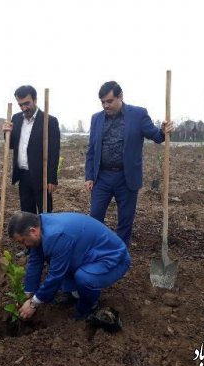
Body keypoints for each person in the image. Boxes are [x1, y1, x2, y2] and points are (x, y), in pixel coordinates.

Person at [85, 81, 174, 246]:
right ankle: (94, 250)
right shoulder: (96, 118)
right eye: (103, 102)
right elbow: (91, 149)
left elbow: (156, 136)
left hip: (126, 178)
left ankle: (120, 255)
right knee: (95, 217)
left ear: (120, 97)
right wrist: (89, 176)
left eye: (109, 101)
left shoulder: (138, 115)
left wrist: (163, 130)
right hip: (102, 177)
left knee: (125, 220)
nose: (105, 105)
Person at [8, 211, 131, 320]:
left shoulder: (56, 235)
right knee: (59, 258)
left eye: (23, 241)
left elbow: (56, 274)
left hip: (113, 258)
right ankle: (73, 292)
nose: (24, 245)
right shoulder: (39, 227)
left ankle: (89, 307)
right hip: (88, 253)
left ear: (32, 231)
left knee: (84, 278)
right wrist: (28, 293)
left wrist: (33, 304)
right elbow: (35, 261)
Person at [2, 85, 60, 213]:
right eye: (20, 104)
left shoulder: (49, 121)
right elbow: (11, 145)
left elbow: (54, 152)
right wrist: (6, 133)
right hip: (23, 175)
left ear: (35, 100)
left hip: (41, 176)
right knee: (27, 214)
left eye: (27, 103)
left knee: (45, 214)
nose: (24, 108)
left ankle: (46, 234)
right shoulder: (16, 119)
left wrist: (52, 178)